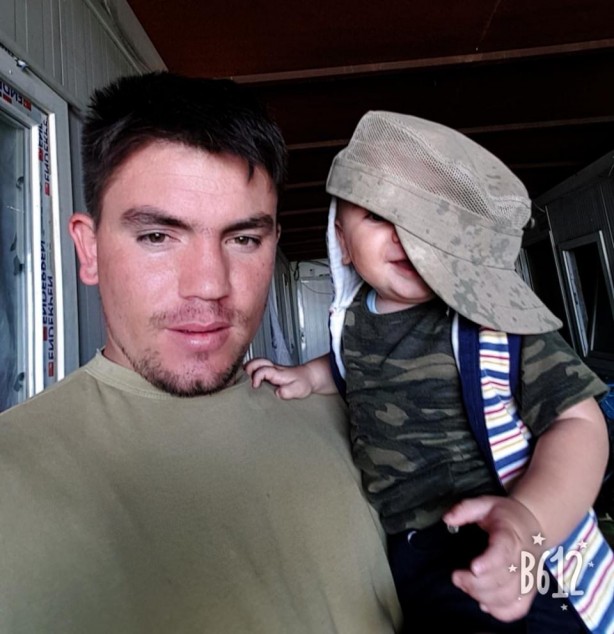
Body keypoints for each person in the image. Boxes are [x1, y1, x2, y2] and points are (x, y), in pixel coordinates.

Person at [0, 74, 402, 633]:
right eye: (157, 236)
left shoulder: (361, 418)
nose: (209, 285)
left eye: (244, 239)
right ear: (89, 250)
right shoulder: (13, 474)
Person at [246, 111, 614, 633]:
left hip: (510, 541)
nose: (406, 235)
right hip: (410, 552)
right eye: (380, 216)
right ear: (341, 240)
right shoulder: (353, 322)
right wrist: (308, 376)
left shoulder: (497, 325)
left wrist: (531, 521)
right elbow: (351, 368)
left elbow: (580, 425)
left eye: (430, 219)